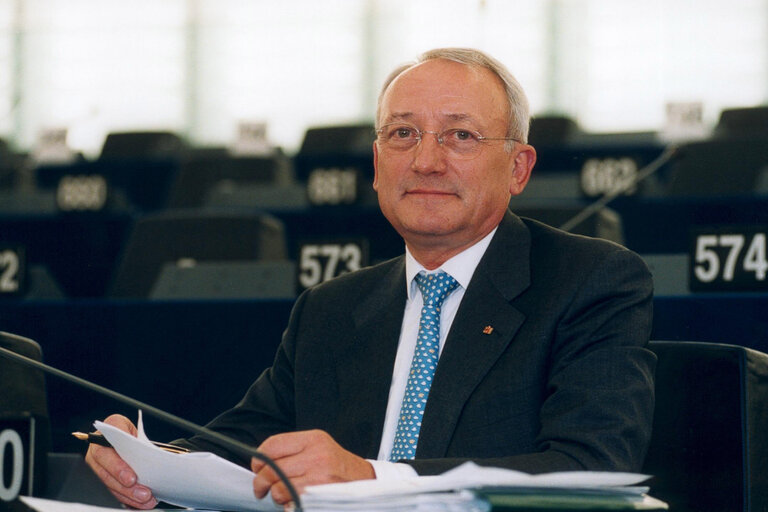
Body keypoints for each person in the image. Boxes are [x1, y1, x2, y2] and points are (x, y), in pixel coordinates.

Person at [86, 47, 655, 509]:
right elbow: (242, 446)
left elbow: (592, 467)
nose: (426, 161)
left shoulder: (590, 281)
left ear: (518, 168)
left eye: (460, 136)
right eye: (403, 134)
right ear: (377, 164)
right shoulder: (331, 309)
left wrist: (370, 477)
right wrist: (147, 460)